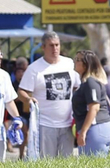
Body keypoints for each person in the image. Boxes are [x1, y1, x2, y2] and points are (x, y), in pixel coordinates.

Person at [18, 30, 78, 159]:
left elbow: (77, 87)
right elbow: (21, 91)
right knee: (46, 163)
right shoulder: (34, 68)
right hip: (45, 125)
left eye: (57, 45)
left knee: (66, 165)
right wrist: (28, 99)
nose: (55, 48)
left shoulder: (69, 64)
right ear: (43, 47)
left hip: (67, 124)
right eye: (51, 45)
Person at [67, 50, 110, 157]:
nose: (75, 62)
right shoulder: (86, 82)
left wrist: (83, 132)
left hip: (96, 128)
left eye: (78, 60)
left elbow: (94, 108)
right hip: (99, 128)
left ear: (86, 64)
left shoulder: (91, 82)